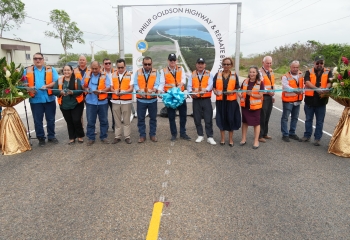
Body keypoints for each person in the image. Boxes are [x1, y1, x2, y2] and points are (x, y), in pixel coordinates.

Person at [24, 52, 59, 147]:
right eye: (35, 58)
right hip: (35, 100)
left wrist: (47, 86)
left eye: (39, 58)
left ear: (43, 60)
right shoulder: (27, 70)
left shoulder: (51, 69)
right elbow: (23, 83)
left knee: (51, 119)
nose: (37, 60)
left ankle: (51, 136)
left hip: (49, 99)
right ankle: (41, 138)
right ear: (33, 60)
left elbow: (56, 81)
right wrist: (29, 89)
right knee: (37, 120)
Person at [300, 55, 332, 146]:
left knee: (319, 121)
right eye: (317, 63)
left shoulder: (328, 72)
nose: (319, 64)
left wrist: (326, 88)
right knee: (308, 119)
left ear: (323, 64)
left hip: (321, 101)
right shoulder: (308, 72)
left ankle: (317, 138)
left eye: (321, 63)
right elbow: (307, 82)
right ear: (314, 63)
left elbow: (330, 82)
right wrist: (316, 89)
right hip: (310, 101)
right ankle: (307, 136)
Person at [159, 53, 191, 141]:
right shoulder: (164, 70)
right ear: (168, 61)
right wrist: (159, 91)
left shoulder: (181, 68)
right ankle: (174, 134)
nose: (172, 62)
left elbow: (184, 79)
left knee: (183, 115)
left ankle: (183, 133)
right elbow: (162, 83)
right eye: (171, 60)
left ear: (176, 61)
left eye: (174, 60)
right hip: (170, 97)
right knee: (171, 116)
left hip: (180, 96)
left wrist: (182, 83)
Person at [52, 65, 85, 145]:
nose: (66, 72)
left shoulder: (77, 80)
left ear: (72, 71)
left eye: (68, 70)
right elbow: (54, 91)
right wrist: (60, 92)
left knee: (76, 120)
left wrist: (72, 92)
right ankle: (72, 137)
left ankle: (80, 136)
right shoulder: (59, 80)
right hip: (64, 105)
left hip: (77, 103)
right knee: (69, 121)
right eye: (65, 70)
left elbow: (81, 90)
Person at [213, 57, 241, 147]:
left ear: (231, 65)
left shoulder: (234, 75)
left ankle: (231, 139)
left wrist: (233, 92)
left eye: (228, 64)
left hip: (231, 101)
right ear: (222, 65)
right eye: (224, 64)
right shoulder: (217, 74)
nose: (226, 66)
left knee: (231, 118)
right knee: (221, 118)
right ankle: (222, 139)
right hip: (221, 101)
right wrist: (215, 92)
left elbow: (237, 88)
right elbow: (213, 87)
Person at [187, 58, 216, 145]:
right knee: (197, 118)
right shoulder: (192, 74)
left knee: (208, 118)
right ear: (196, 65)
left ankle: (210, 137)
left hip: (206, 99)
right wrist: (191, 93)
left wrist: (206, 90)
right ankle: (200, 135)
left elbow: (211, 84)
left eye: (202, 63)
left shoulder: (209, 74)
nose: (200, 65)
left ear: (205, 65)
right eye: (199, 63)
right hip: (196, 100)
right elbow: (189, 86)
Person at [81, 61, 111, 146]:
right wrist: (86, 89)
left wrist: (101, 91)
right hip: (90, 102)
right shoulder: (87, 74)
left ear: (100, 67)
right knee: (90, 121)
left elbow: (108, 87)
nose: (94, 70)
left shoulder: (105, 75)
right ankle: (91, 138)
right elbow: (82, 85)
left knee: (104, 120)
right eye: (92, 68)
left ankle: (103, 137)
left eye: (96, 68)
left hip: (102, 102)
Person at [134, 56, 160, 143]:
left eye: (149, 64)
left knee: (153, 118)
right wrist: (138, 90)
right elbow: (135, 83)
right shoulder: (138, 72)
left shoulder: (156, 72)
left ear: (151, 64)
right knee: (141, 119)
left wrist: (155, 89)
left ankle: (152, 134)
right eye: (145, 64)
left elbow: (157, 83)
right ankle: (142, 135)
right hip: (141, 100)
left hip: (152, 100)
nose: (147, 66)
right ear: (143, 64)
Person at [238, 66, 264, 149]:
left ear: (257, 73)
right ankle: (243, 139)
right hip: (245, 106)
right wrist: (239, 94)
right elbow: (240, 91)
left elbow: (260, 95)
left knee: (256, 123)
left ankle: (256, 141)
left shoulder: (260, 83)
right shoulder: (245, 81)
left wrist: (251, 94)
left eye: (253, 72)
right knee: (245, 122)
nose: (252, 74)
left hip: (255, 107)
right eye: (250, 72)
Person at [110, 59, 134, 144]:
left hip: (126, 101)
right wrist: (114, 91)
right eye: (118, 67)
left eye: (122, 67)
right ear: (116, 67)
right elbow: (111, 87)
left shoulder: (130, 75)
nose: (120, 69)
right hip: (115, 101)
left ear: (125, 66)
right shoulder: (112, 75)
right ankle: (117, 136)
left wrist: (125, 92)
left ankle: (127, 136)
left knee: (126, 120)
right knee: (117, 120)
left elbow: (131, 88)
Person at [281, 60, 304, 142]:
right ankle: (285, 134)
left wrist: (303, 90)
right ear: (290, 67)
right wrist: (295, 90)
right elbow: (286, 87)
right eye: (294, 67)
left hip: (297, 100)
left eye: (297, 67)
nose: (295, 69)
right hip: (288, 101)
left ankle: (292, 133)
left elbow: (303, 85)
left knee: (295, 118)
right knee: (285, 118)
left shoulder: (301, 75)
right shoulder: (285, 76)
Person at [259, 56, 275, 143]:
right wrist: (269, 92)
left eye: (270, 63)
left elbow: (273, 84)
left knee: (267, 115)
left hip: (270, 96)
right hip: (264, 96)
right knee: (262, 116)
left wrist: (273, 96)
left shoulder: (271, 71)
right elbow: (261, 85)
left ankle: (265, 133)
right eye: (267, 63)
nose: (269, 64)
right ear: (263, 62)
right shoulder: (259, 72)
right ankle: (260, 135)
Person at [101, 58, 115, 131]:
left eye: (109, 63)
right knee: (104, 114)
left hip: (113, 95)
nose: (108, 64)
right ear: (103, 65)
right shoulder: (100, 73)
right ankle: (105, 128)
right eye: (106, 63)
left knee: (115, 113)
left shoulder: (115, 72)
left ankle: (115, 127)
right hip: (104, 95)